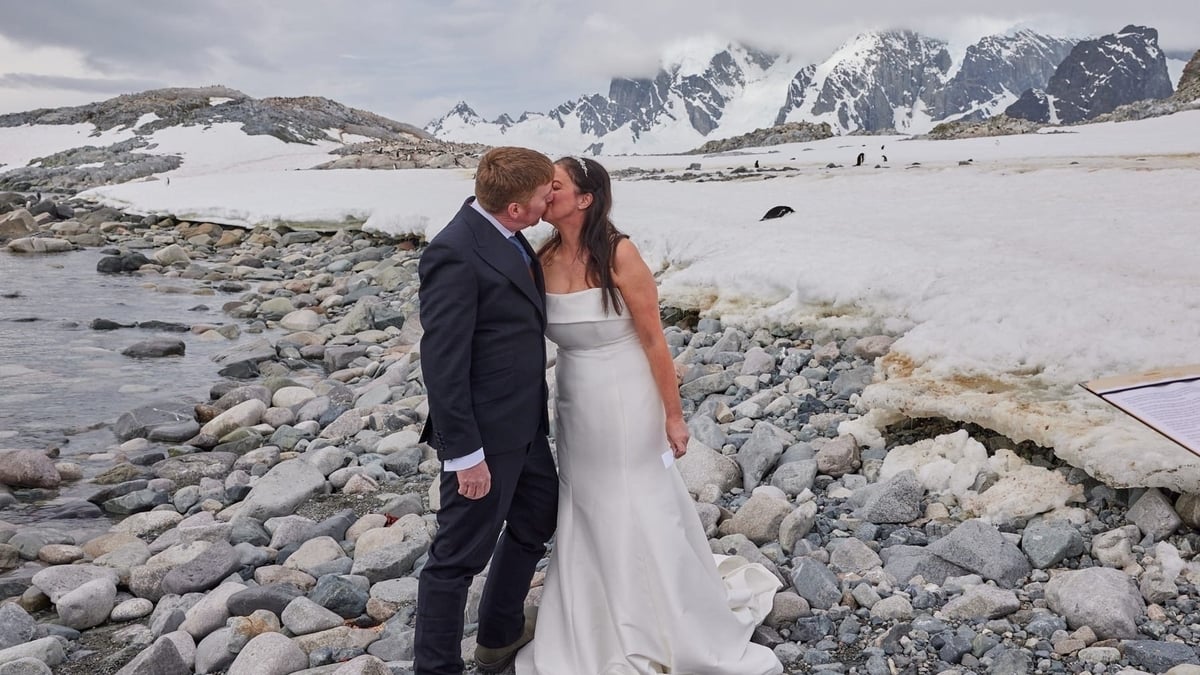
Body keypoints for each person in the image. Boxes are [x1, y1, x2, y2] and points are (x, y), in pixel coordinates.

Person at [514, 156, 784, 675]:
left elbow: (655, 340)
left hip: (627, 393)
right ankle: (593, 617)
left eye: (556, 185)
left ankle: (662, 619)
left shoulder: (619, 253)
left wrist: (673, 417)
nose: (546, 192)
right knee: (584, 497)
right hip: (574, 395)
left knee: (633, 494)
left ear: (585, 199)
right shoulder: (541, 256)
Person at [415, 146, 560, 675]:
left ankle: (499, 633)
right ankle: (436, 668)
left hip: (525, 424)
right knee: (456, 557)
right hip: (484, 436)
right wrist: (465, 455)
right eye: (545, 195)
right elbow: (443, 362)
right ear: (516, 207)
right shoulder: (454, 252)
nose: (550, 201)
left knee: (537, 516)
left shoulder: (509, 233)